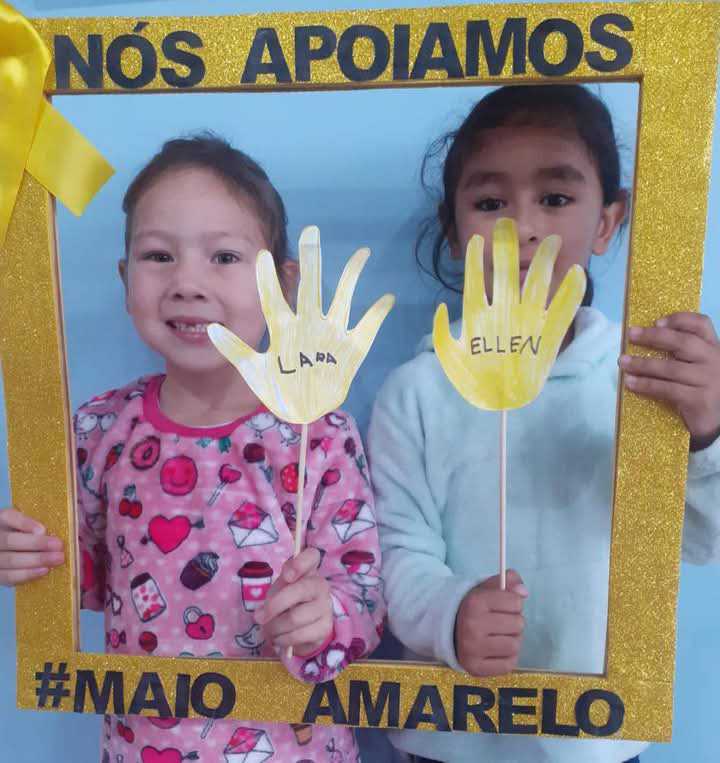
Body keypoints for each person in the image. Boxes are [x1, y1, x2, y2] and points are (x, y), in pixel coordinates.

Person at [0, 134, 384, 762]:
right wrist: (28, 555)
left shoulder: (319, 432)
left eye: (224, 257)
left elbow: (365, 594)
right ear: (125, 279)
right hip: (142, 746)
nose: (186, 283)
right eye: (158, 256)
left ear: (284, 283)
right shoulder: (99, 429)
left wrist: (326, 620)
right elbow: (83, 579)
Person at [368, 85, 720, 763]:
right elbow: (396, 553)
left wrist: (705, 435)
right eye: (489, 203)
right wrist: (452, 615)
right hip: (449, 738)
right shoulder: (417, 391)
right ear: (454, 231)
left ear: (607, 223)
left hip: (596, 739)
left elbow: (704, 542)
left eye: (555, 198)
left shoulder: (643, 381)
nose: (520, 228)